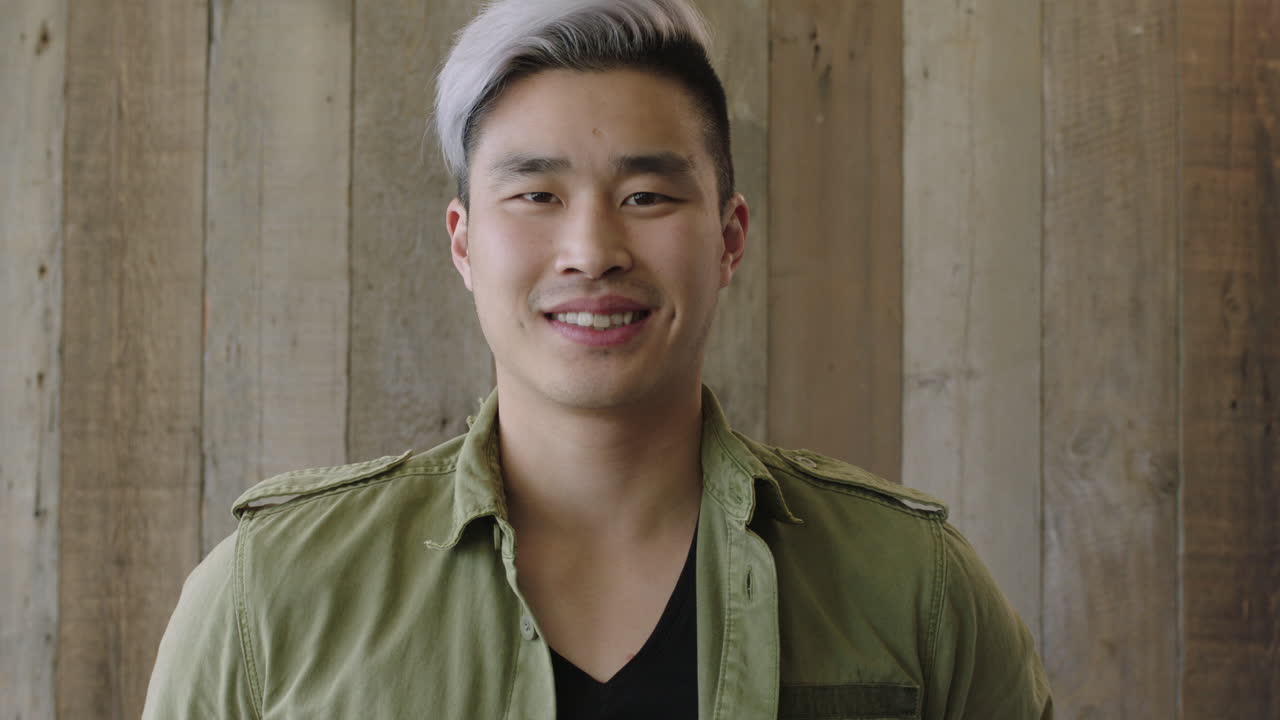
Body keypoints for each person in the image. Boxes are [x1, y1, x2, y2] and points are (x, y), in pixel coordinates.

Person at [143, 0, 1053, 717]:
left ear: (730, 239)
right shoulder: (271, 596)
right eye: (536, 193)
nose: (592, 249)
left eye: (648, 194)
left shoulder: (913, 587)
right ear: (463, 244)